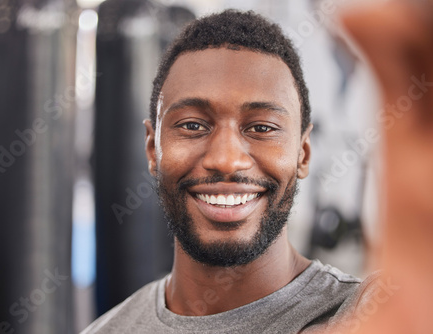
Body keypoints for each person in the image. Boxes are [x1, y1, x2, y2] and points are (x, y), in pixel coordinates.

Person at [82, 9, 375, 334]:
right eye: (193, 125)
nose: (226, 160)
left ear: (303, 154)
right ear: (153, 149)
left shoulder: (369, 316)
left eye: (261, 127)